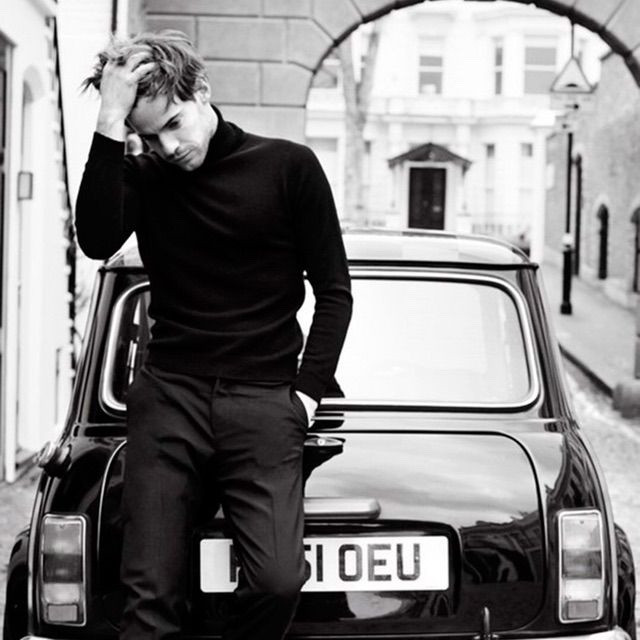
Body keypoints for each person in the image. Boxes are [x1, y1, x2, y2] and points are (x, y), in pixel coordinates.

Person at [75, 30, 352, 640]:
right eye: (149, 137)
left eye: (174, 124)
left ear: (201, 90)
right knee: (149, 597)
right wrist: (109, 122)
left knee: (278, 579)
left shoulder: (288, 167)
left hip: (264, 401)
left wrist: (304, 395)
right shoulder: (144, 176)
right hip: (170, 397)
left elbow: (335, 291)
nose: (168, 147)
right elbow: (95, 239)